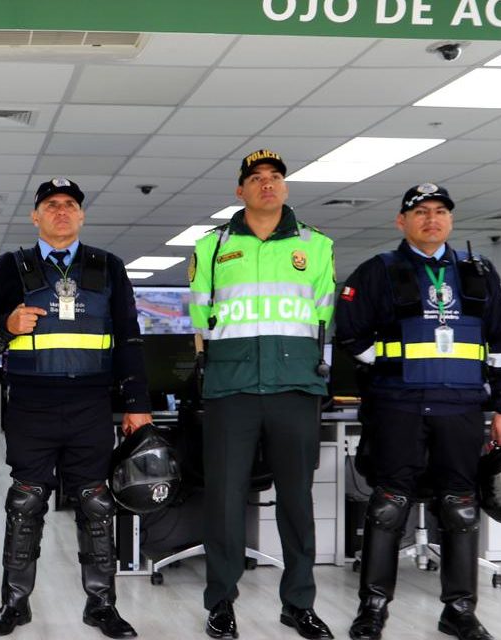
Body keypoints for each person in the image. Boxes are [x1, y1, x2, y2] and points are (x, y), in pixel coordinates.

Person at [334, 184, 501, 640]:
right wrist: (393, 364)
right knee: (387, 505)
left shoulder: (478, 273)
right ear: (402, 221)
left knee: (460, 507)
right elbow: (349, 336)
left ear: (450, 221)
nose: (431, 219)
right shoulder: (379, 271)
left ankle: (459, 611)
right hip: (398, 406)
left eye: (440, 212)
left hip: (460, 408)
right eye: (420, 212)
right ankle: (373, 609)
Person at [0, 178, 151, 639]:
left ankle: (102, 606)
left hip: (91, 403)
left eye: (69, 205)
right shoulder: (10, 267)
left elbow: (130, 339)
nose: (60, 211)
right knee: (27, 500)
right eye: (50, 205)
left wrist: (137, 404)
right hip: (31, 401)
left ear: (82, 215)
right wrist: (7, 324)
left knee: (95, 502)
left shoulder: (108, 266)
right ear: (35, 216)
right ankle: (14, 605)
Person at [188, 150, 336, 640]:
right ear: (241, 191)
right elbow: (200, 321)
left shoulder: (317, 246)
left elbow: (319, 317)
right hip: (231, 387)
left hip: (294, 385)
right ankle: (220, 604)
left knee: (297, 501)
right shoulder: (211, 247)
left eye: (275, 178)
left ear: (286, 189)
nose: (267, 185)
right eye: (256, 178)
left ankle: (298, 604)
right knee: (225, 502)